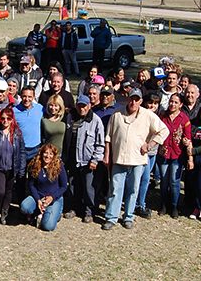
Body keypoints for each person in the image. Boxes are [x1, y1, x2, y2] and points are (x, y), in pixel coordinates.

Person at [102, 89, 169, 230]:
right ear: (127, 99)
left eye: (136, 99)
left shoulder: (148, 115)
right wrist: (107, 155)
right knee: (115, 189)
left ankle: (128, 216)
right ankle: (111, 217)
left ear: (140, 101)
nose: (133, 102)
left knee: (133, 189)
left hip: (138, 159)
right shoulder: (117, 114)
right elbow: (108, 136)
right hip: (118, 158)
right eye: (131, 99)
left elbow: (164, 130)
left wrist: (150, 144)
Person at [61, 94, 105, 223]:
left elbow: (100, 143)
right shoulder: (70, 117)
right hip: (72, 159)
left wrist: (95, 160)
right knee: (73, 185)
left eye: (84, 106)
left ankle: (89, 211)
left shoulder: (96, 121)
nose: (81, 108)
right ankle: (74, 208)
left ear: (89, 106)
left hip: (87, 160)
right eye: (79, 105)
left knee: (88, 187)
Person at [157, 93, 192, 218]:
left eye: (176, 102)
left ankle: (174, 206)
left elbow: (188, 137)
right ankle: (163, 205)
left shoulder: (184, 119)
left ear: (181, 104)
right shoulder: (162, 116)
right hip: (163, 153)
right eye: (171, 101)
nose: (172, 104)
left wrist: (186, 143)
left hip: (177, 154)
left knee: (174, 181)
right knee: (164, 180)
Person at [19, 143, 68, 232]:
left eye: (50, 154)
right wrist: (38, 200)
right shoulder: (35, 165)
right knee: (24, 207)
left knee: (48, 226)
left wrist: (52, 197)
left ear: (54, 155)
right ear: (41, 153)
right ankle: (39, 212)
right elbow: (31, 185)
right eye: (45, 153)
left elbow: (64, 186)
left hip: (54, 198)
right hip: (39, 196)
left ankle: (55, 214)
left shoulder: (59, 166)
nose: (47, 156)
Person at [14, 86, 44, 162]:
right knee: (20, 173)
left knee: (34, 173)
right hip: (20, 149)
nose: (27, 99)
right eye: (24, 96)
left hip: (36, 148)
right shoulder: (14, 111)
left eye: (29, 97)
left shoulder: (40, 108)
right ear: (20, 96)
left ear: (33, 97)